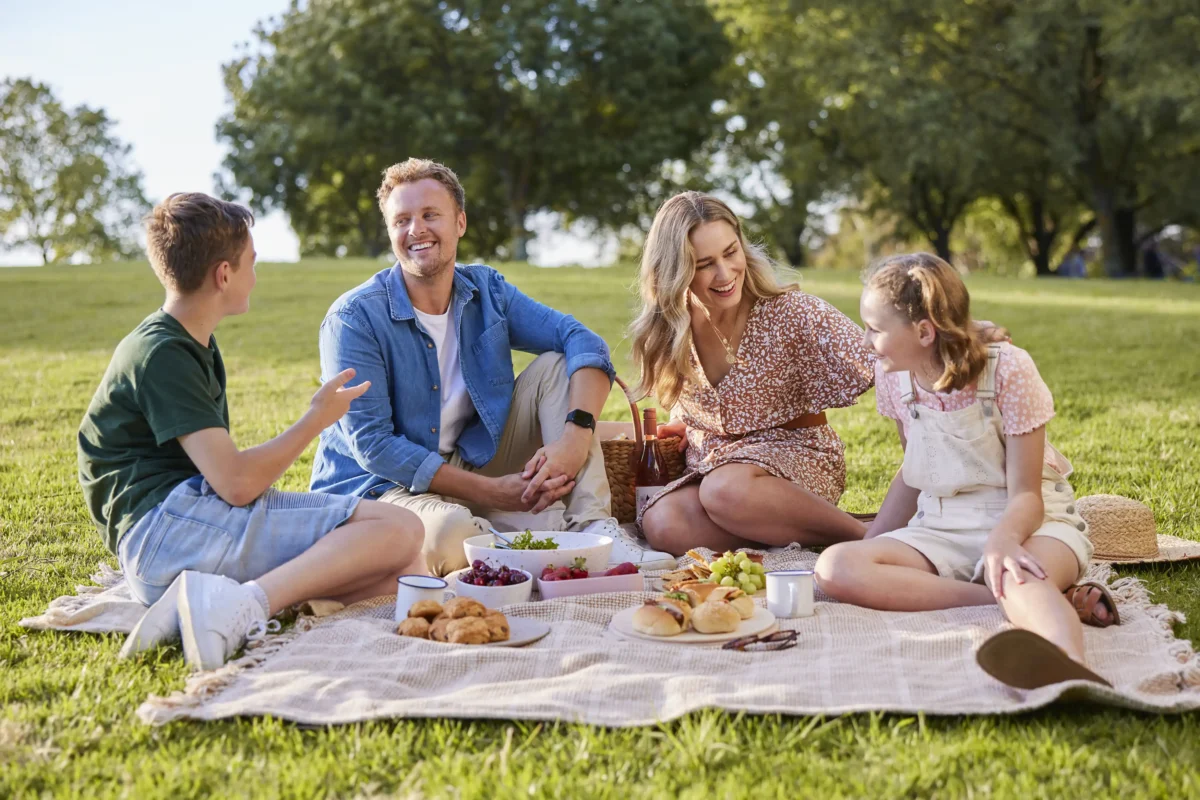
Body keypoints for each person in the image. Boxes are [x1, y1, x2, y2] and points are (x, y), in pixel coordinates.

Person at [77, 193, 426, 671]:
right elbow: (237, 484)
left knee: (403, 573)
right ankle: (243, 607)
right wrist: (315, 419)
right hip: (164, 535)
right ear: (224, 274)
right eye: (252, 263)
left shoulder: (188, 341)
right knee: (401, 527)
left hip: (183, 526)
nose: (255, 275)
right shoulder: (163, 353)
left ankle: (197, 604)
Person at [312, 158, 673, 574]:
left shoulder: (486, 290)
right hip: (383, 490)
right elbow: (374, 446)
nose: (417, 230)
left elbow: (583, 341)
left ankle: (594, 533)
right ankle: (515, 536)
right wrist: (492, 492)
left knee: (557, 365)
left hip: (472, 461)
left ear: (460, 222)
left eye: (431, 215)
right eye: (402, 220)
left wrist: (575, 437)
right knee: (452, 531)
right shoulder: (353, 319)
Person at [814, 252, 1116, 690]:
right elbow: (915, 470)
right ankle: (1017, 599)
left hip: (1030, 521)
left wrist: (1003, 542)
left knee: (1016, 576)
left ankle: (1069, 669)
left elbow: (1028, 496)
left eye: (875, 329)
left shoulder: (1009, 369)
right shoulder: (895, 378)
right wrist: (871, 544)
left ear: (923, 331)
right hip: (942, 525)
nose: (865, 341)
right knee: (835, 567)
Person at [629, 192, 876, 555]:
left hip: (791, 460)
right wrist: (687, 422)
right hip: (715, 467)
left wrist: (958, 340)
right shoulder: (671, 327)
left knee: (724, 490)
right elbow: (698, 399)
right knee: (661, 524)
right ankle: (802, 535)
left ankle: (867, 538)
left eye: (731, 252)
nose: (725, 274)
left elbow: (881, 358)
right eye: (703, 264)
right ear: (674, 271)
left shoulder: (792, 311)